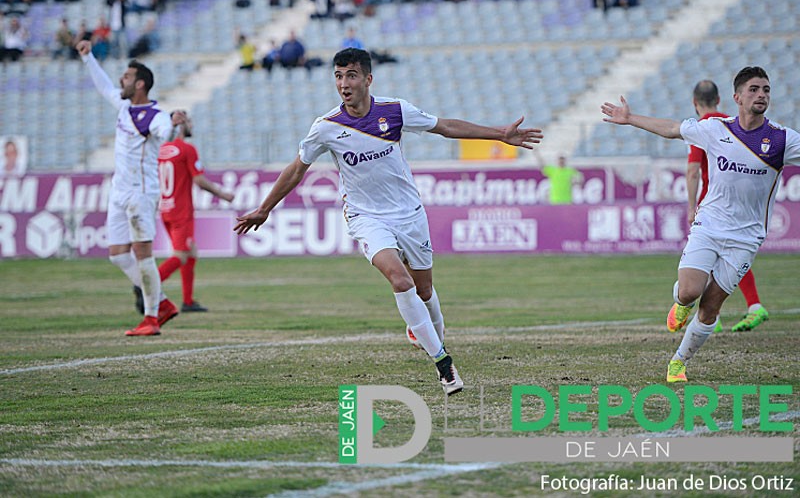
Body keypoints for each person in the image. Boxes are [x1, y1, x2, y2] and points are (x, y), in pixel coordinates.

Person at [234, 48, 543, 395]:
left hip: (408, 213)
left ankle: (427, 336)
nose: (343, 84)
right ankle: (443, 364)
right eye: (338, 76)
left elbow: (445, 126)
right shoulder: (326, 127)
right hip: (366, 217)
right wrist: (265, 207)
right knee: (399, 280)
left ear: (367, 79)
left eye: (351, 75)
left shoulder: (394, 111)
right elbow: (297, 168)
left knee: (424, 290)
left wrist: (499, 133)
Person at [601, 66, 800, 383]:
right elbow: (671, 128)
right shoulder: (716, 129)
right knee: (691, 291)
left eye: (766, 89)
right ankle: (680, 301)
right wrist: (630, 118)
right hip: (709, 225)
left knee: (710, 308)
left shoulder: (782, 140)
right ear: (736, 97)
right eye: (754, 89)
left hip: (745, 240)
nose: (761, 94)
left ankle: (678, 362)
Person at [76, 39, 184, 336]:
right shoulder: (124, 106)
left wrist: (174, 124)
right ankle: (161, 302)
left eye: (125, 77)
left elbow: (166, 132)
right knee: (118, 254)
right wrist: (88, 59)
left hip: (140, 193)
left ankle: (151, 317)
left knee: (142, 254)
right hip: (119, 192)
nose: (120, 81)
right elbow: (103, 86)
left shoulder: (155, 116)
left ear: (139, 84)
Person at [686, 80, 769, 333]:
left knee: (706, 258)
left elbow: (692, 172)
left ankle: (713, 316)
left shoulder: (705, 127)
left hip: (715, 203)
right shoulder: (733, 122)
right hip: (742, 202)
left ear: (694, 103)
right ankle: (753, 306)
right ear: (721, 100)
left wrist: (691, 207)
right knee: (734, 257)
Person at [156, 110, 234, 312]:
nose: (193, 125)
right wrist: (222, 194)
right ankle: (147, 285)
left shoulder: (161, 149)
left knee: (191, 252)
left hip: (165, 208)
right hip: (181, 211)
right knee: (180, 255)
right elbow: (199, 180)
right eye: (190, 121)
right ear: (182, 124)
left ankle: (188, 302)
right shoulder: (187, 149)